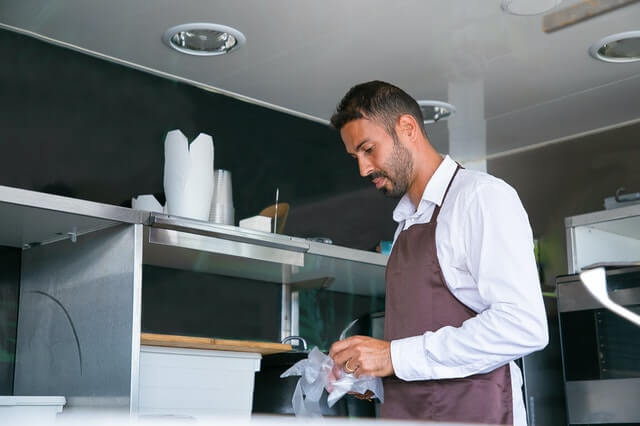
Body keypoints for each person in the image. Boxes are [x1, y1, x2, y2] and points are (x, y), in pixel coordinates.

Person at [328, 81, 548, 425]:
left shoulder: (480, 198)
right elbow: (416, 355)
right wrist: (370, 375)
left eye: (368, 149)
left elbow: (523, 326)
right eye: (356, 156)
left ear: (407, 128)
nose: (363, 168)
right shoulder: (406, 223)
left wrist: (393, 356)